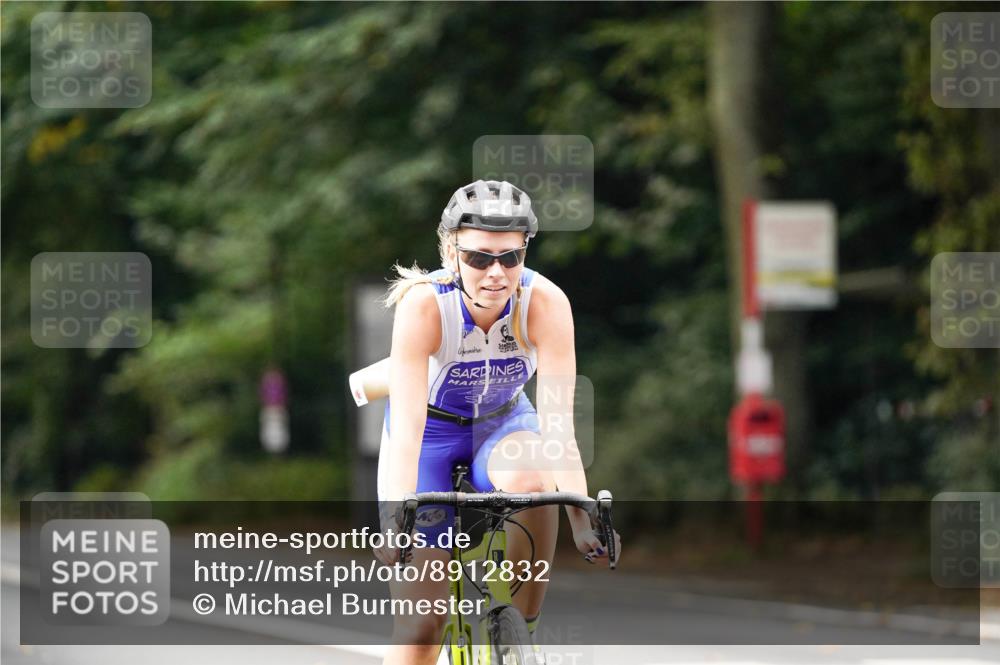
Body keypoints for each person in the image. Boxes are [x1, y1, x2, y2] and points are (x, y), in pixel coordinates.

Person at [373, 179, 620, 665]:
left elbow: (558, 428)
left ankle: (515, 636)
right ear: (451, 252)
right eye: (479, 258)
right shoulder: (425, 306)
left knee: (535, 477)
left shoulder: (545, 303)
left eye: (511, 257)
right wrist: (391, 518)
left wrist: (582, 517)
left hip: (502, 424)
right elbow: (405, 432)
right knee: (422, 626)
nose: (496, 273)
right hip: (428, 437)